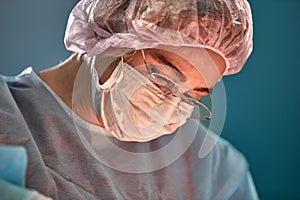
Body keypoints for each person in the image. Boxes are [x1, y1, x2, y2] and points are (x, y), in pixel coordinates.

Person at [0, 0, 258, 199]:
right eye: (163, 79)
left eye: (192, 96)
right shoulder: (8, 115)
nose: (168, 106)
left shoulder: (216, 169)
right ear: (112, 37)